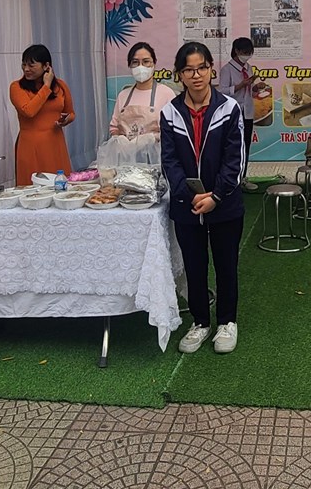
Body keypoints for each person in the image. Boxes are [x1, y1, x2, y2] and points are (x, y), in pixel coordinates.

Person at [160, 41, 245, 355]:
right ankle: (200, 322)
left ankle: (227, 322)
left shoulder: (229, 109)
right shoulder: (170, 112)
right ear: (179, 74)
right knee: (194, 267)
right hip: (187, 206)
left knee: (226, 264)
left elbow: (235, 161)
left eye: (201, 68)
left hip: (225, 204)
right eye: (188, 70)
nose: (196, 76)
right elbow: (169, 161)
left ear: (211, 70)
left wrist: (216, 196)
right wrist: (189, 195)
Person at [9, 44, 74, 186]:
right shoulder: (16, 87)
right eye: (24, 64)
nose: (26, 69)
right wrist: (46, 86)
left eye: (31, 65)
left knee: (59, 185)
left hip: (55, 142)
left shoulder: (61, 86)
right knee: (33, 188)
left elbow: (71, 112)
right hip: (31, 144)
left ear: (46, 66)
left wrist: (66, 120)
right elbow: (29, 111)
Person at [104, 42, 177, 166]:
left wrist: (152, 138)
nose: (141, 66)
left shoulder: (166, 93)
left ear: (154, 63)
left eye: (146, 61)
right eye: (135, 62)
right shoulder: (123, 95)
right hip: (125, 162)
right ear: (130, 65)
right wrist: (119, 140)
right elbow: (114, 128)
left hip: (157, 162)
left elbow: (174, 131)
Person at [217, 36, 258, 192]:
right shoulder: (227, 69)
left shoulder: (248, 68)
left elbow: (249, 91)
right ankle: (230, 179)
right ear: (236, 51)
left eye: (249, 52)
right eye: (245, 52)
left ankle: (243, 178)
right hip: (233, 112)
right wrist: (240, 85)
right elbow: (222, 91)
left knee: (245, 146)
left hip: (247, 112)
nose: (247, 55)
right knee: (232, 146)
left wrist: (255, 87)